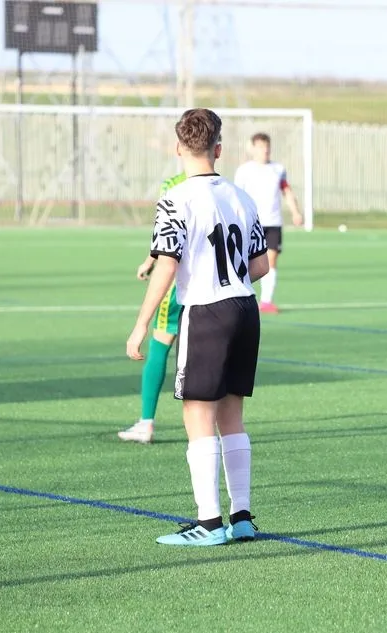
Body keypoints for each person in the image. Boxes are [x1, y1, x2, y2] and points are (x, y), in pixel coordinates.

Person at [126, 108, 270, 546]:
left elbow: (167, 265)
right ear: (218, 149)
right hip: (245, 308)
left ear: (178, 149)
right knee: (232, 414)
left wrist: (141, 323)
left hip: (206, 312)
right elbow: (261, 265)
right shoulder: (241, 197)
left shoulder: (176, 199)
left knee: (197, 413)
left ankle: (209, 523)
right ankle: (241, 517)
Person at [118, 173, 186, 444]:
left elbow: (166, 233)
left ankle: (146, 422)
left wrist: (150, 260)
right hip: (209, 284)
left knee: (160, 345)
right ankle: (211, 427)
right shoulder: (216, 184)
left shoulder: (172, 184)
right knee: (200, 355)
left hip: (175, 282)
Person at [233, 132, 303, 314]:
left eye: (267, 146)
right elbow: (235, 196)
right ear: (253, 149)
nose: (265, 150)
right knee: (244, 261)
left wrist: (295, 212)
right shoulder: (244, 170)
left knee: (271, 261)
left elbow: (286, 191)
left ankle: (266, 301)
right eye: (261, 147)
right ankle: (238, 296)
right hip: (250, 222)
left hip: (273, 223)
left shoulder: (278, 169)